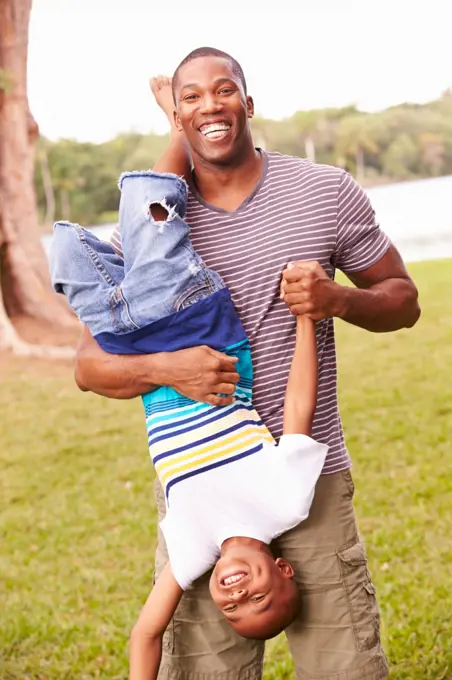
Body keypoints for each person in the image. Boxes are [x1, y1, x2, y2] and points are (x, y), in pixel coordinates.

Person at [75, 50, 420, 680]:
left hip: (309, 484)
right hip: (200, 491)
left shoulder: (324, 191)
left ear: (248, 103)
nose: (211, 107)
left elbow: (404, 301)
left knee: (344, 669)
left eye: (224, 91)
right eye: (192, 99)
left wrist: (337, 298)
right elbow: (88, 366)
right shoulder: (153, 230)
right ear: (176, 116)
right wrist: (168, 369)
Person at [50, 112, 328, 673]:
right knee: (148, 214)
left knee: (65, 252)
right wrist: (306, 320)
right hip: (201, 333)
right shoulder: (284, 504)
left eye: (233, 609)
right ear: (284, 570)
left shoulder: (191, 553)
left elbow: (146, 630)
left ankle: (144, 217)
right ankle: (180, 122)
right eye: (259, 597)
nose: (235, 594)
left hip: (140, 353)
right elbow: (299, 409)